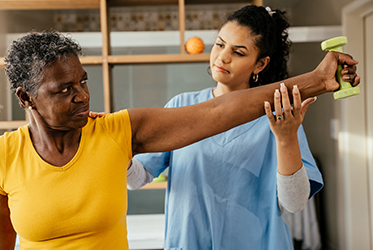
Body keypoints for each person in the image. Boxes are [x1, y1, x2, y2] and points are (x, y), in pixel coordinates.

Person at [0, 28, 359, 249]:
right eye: (63, 89)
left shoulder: (116, 130)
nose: (83, 95)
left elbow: (218, 113)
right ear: (26, 97)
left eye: (84, 81)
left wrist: (317, 81)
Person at [126, 5, 353, 250]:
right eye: (220, 44)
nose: (223, 57)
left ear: (260, 64)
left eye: (239, 52)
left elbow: (294, 203)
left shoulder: (279, 115)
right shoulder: (181, 106)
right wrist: (118, 147)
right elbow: (136, 179)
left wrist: (286, 138)